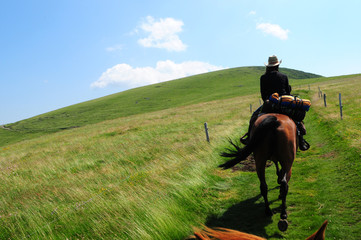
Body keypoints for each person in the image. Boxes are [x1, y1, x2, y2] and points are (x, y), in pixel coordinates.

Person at [240, 55, 309, 151]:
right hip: (284, 104)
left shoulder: (263, 77)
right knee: (297, 120)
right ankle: (301, 141)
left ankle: (248, 139)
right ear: (277, 66)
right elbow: (288, 94)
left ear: (268, 66)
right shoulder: (284, 76)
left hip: (269, 105)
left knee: (254, 117)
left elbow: (263, 96)